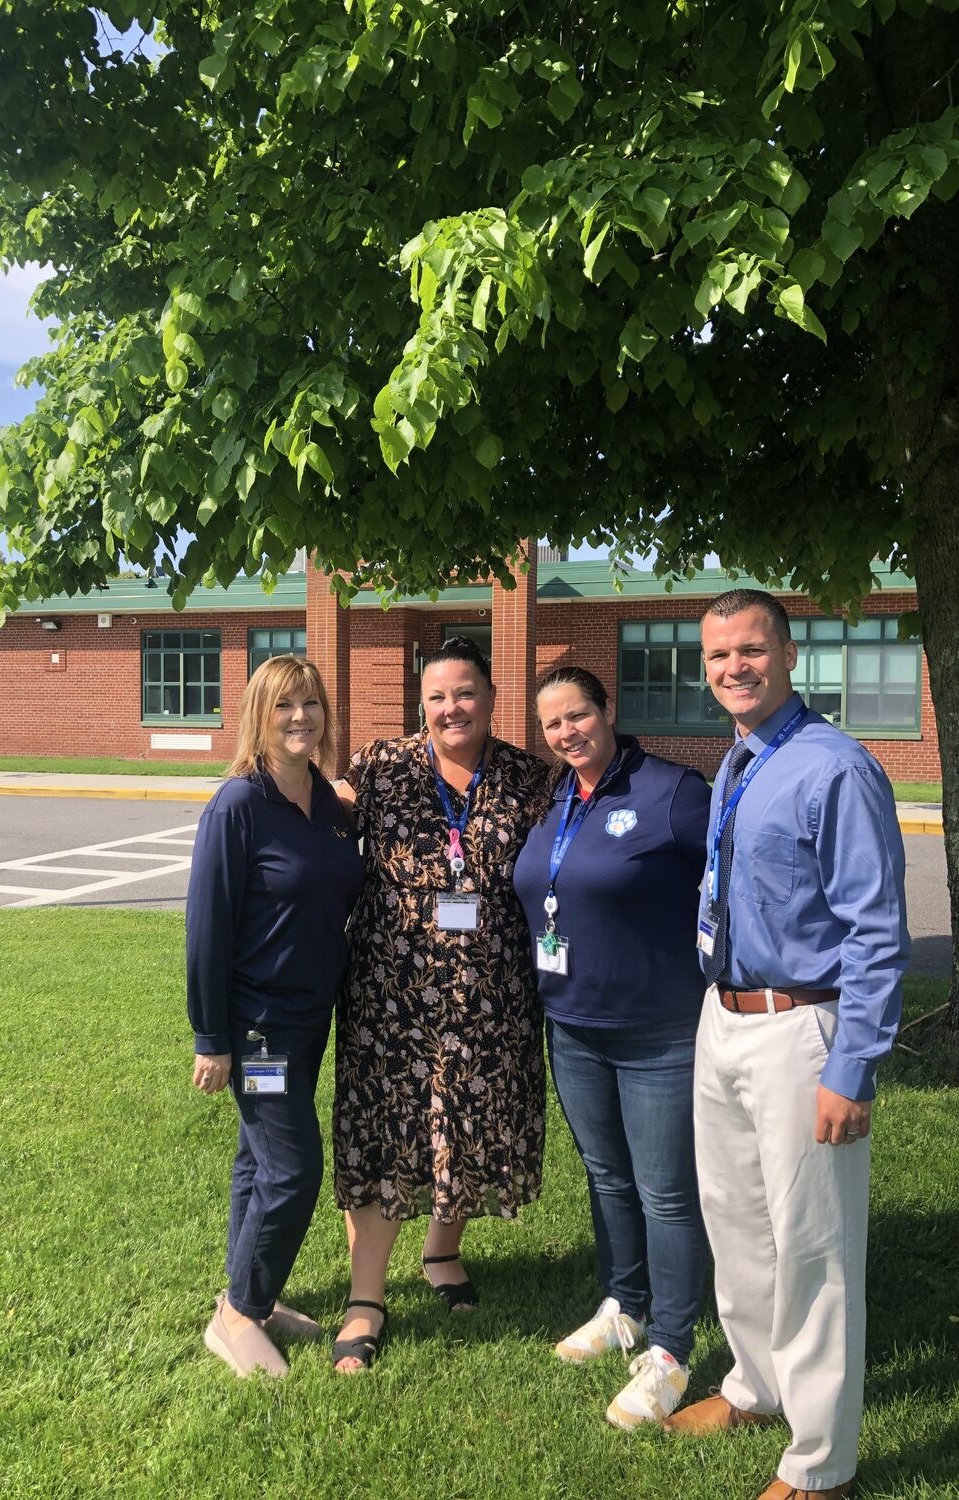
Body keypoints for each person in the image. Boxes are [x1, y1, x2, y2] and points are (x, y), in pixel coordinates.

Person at [662, 589, 909, 1500]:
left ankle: (820, 1468)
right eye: (719, 654)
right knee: (737, 1230)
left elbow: (876, 930)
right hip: (723, 1018)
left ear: (790, 652)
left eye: (751, 650)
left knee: (812, 1248)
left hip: (802, 1029)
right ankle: (756, 1388)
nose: (734, 667)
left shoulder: (834, 768)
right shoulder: (740, 758)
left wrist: (851, 1068)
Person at [330, 635, 549, 1372]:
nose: (450, 707)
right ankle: (366, 1297)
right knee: (387, 1129)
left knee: (469, 1119)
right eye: (436, 696)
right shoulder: (380, 767)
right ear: (419, 705)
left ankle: (442, 1250)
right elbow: (315, 834)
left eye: (463, 693)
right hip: (389, 991)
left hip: (492, 994)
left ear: (490, 697)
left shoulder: (526, 776)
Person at [513, 665, 710, 1430]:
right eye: (552, 723)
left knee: (664, 1191)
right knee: (606, 1178)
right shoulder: (558, 798)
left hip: (659, 1032)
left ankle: (670, 1347)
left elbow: (728, 885)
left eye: (577, 715)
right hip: (573, 1028)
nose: (566, 731)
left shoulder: (669, 792)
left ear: (606, 710)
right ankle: (623, 1306)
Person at [186, 655, 363, 1377]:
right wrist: (211, 1036)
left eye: (312, 704)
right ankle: (238, 1315)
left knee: (256, 1163)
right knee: (292, 1170)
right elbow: (206, 928)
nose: (301, 717)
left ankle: (248, 1294)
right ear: (260, 714)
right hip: (258, 1028)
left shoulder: (327, 801)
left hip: (310, 1015)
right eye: (285, 705)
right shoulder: (238, 804)